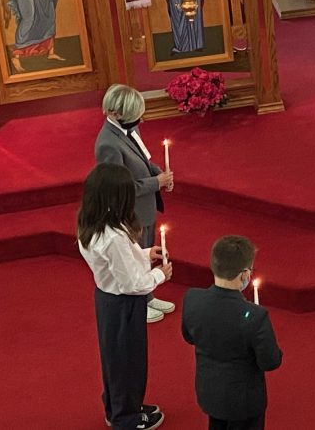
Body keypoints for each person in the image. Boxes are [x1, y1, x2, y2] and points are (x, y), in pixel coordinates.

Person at [77, 163, 171, 430]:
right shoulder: (114, 236)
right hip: (124, 303)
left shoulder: (92, 220)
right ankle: (126, 419)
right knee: (129, 362)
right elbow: (132, 282)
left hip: (108, 300)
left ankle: (119, 407)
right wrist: (160, 275)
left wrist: (144, 254)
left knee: (115, 360)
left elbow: (112, 263)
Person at [182, 235, 283, 430]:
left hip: (209, 391)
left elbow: (188, 336)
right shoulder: (255, 316)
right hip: (243, 402)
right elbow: (270, 362)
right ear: (245, 274)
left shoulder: (192, 298)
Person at [95, 84, 175, 323]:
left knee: (146, 252)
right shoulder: (107, 144)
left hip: (145, 208)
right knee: (134, 256)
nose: (138, 120)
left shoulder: (129, 127)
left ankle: (148, 296)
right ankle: (138, 303)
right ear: (115, 113)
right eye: (134, 115)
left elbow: (144, 158)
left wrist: (161, 174)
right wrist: (155, 182)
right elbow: (119, 186)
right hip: (130, 211)